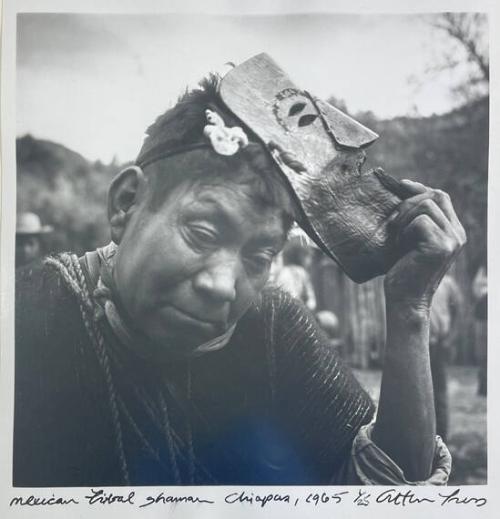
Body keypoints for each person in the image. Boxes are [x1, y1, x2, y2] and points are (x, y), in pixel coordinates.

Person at [14, 54, 465, 487]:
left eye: (258, 257)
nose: (222, 285)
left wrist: (410, 309)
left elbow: (387, 495)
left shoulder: (272, 327)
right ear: (127, 203)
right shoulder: (26, 318)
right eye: (203, 234)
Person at [429, 274, 463, 441]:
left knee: (439, 391)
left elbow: (458, 311)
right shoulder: (417, 276)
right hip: (417, 344)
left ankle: (442, 437)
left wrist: (450, 339)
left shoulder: (448, 282)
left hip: (439, 344)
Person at [274, 241, 317, 311]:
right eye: (309, 256)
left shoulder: (284, 271)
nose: (311, 260)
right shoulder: (300, 272)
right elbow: (311, 301)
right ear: (301, 256)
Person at [472, 263, 487, 395]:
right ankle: (483, 386)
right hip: (482, 320)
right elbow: (477, 292)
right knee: (482, 355)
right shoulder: (481, 274)